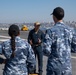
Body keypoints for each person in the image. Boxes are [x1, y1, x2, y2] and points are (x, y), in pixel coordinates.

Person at [43, 7, 76, 75]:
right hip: (66, 67)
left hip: (54, 68)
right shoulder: (71, 30)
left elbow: (46, 50)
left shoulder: (50, 31)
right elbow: (74, 48)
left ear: (54, 17)